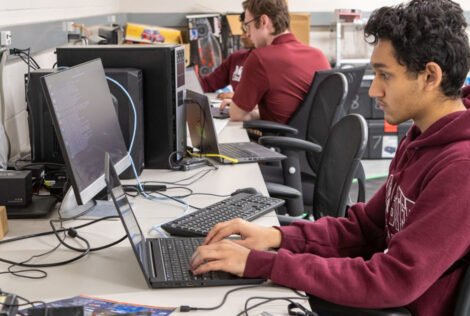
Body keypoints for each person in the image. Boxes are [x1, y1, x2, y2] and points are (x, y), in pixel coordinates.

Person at [190, 0, 470, 314]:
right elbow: (363, 229)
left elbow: (393, 280)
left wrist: (265, 263)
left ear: (430, 76)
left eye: (385, 76)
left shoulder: (460, 168)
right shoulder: (419, 138)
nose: (373, 90)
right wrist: (274, 237)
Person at [220, 0, 330, 123]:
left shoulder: (260, 58)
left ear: (263, 21)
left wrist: (254, 113)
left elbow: (237, 115)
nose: (247, 33)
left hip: (278, 141)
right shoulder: (318, 55)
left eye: (248, 26)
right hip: (314, 141)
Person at [199, 12, 254, 100]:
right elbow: (207, 84)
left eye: (246, 30)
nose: (243, 36)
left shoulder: (273, 61)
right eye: (243, 30)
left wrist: (239, 98)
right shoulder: (236, 58)